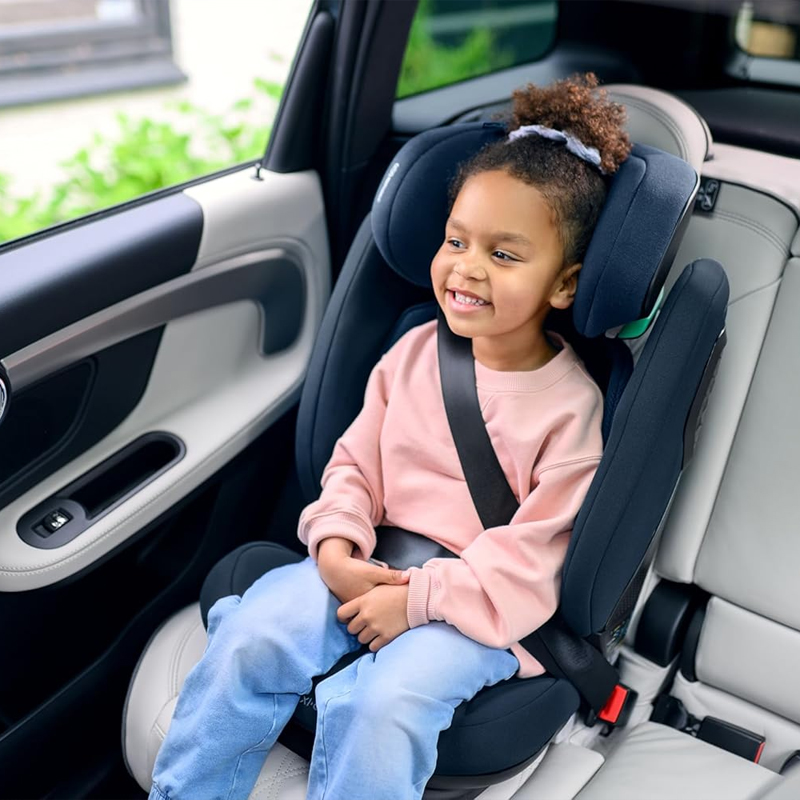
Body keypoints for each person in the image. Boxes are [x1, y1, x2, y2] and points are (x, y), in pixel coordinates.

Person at [149, 73, 632, 800]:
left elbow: (532, 563)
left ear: (563, 285)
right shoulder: (413, 353)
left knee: (381, 705)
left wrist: (415, 602)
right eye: (455, 241)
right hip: (364, 563)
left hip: (475, 613)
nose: (466, 267)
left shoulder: (571, 410)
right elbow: (354, 466)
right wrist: (337, 549)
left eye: (504, 255)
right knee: (252, 635)